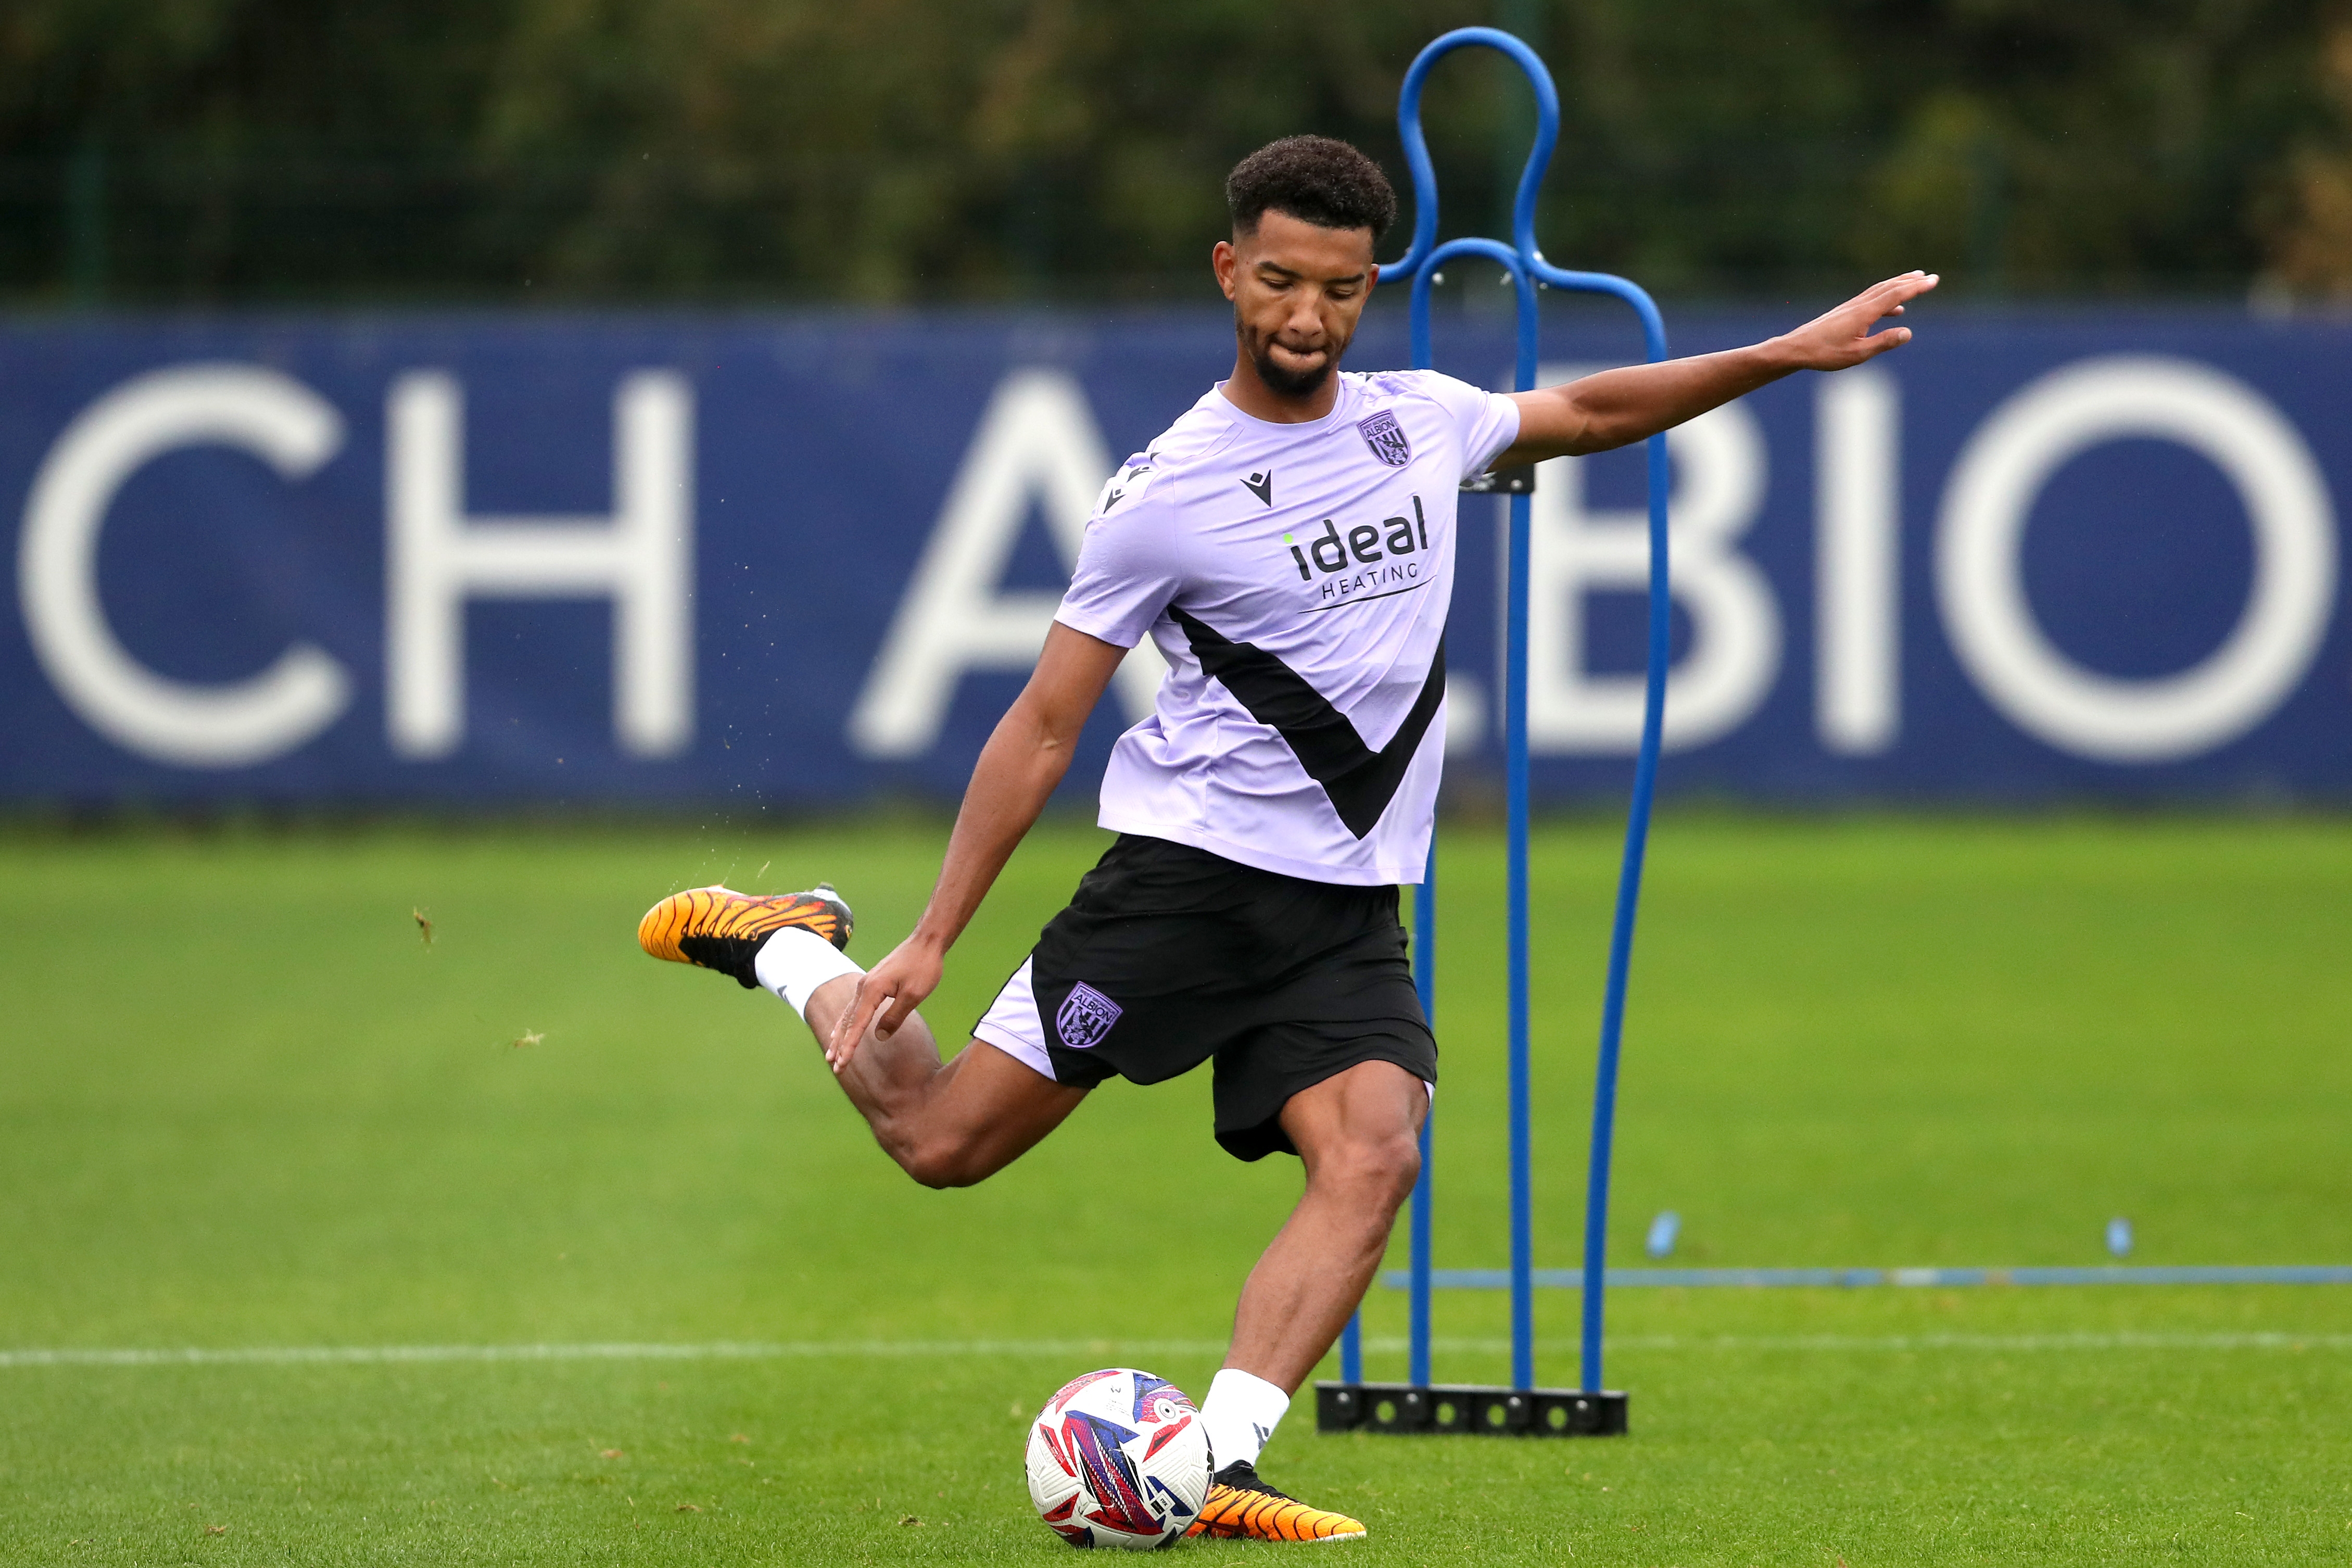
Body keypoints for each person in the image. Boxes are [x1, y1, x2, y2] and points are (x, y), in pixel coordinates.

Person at [639, 134, 1934, 1542]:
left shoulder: (1416, 419)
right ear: (1227, 270)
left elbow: (1593, 409)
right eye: (1275, 282)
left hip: (1348, 907)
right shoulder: (1166, 492)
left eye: (1335, 288)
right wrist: (934, 932)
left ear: (1368, 284)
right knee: (942, 1141)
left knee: (1376, 1153)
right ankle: (787, 945)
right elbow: (1042, 725)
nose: (1304, 316)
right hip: (1181, 891)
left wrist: (1783, 354)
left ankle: (1212, 1466)